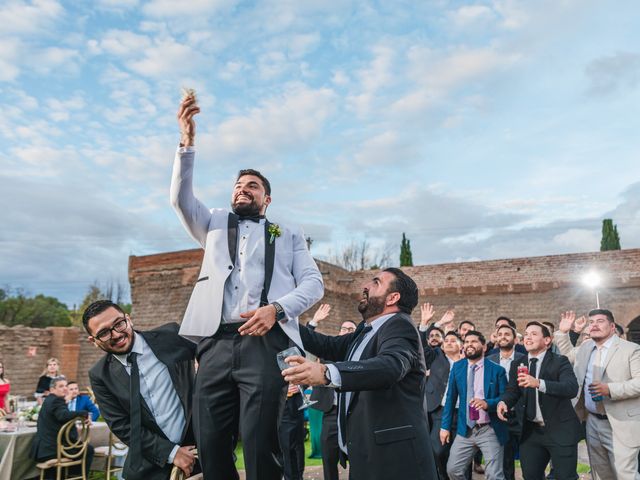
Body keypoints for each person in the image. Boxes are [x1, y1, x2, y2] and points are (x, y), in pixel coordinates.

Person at [172, 92, 324, 480]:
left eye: (252, 185)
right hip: (215, 343)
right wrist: (187, 143)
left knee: (260, 443)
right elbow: (180, 199)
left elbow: (314, 283)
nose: (243, 188)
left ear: (266, 198)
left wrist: (278, 309)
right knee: (211, 441)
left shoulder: (288, 232)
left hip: (265, 343)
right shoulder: (213, 223)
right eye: (239, 185)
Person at [281, 268, 437, 480]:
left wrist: (327, 372)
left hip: (395, 461)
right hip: (366, 456)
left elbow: (390, 366)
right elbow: (325, 344)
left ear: (393, 297)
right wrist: (280, 315)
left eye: (375, 282)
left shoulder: (400, 326)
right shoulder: (365, 330)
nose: (366, 286)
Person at [85, 300, 198, 480]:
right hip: (149, 466)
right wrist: (171, 453)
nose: (116, 334)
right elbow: (122, 425)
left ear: (128, 319)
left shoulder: (171, 335)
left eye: (119, 324)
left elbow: (213, 358)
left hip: (201, 452)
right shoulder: (99, 376)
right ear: (94, 341)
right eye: (104, 333)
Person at [555, 309, 640, 480]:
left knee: (625, 475)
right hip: (592, 420)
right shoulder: (585, 347)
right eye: (591, 322)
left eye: (600, 321)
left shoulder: (631, 349)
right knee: (600, 474)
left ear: (612, 326)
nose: (594, 325)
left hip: (621, 421)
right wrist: (563, 333)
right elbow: (565, 356)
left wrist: (610, 389)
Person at [497, 321, 581, 480]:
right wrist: (504, 402)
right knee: (531, 476)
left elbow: (571, 388)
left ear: (547, 340)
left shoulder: (560, 361)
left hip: (559, 429)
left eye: (534, 334)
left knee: (565, 477)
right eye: (526, 334)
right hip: (530, 432)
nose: (528, 337)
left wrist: (539, 383)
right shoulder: (518, 363)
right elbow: (512, 391)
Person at [440, 330, 508, 480]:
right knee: (453, 469)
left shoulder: (497, 370)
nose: (469, 345)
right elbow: (451, 398)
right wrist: (444, 426)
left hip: (490, 429)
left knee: (494, 475)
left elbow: (506, 398)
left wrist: (487, 403)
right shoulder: (458, 367)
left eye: (474, 342)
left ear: (484, 347)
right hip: (465, 429)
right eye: (467, 342)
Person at [308, 305, 355, 480]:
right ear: (340, 331)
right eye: (344, 328)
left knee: (358, 459)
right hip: (331, 411)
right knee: (328, 458)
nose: (347, 331)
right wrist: (314, 323)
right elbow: (307, 350)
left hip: (354, 413)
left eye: (351, 329)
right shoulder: (329, 349)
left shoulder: (361, 353)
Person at [31, 376, 93, 479]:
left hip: (44, 448)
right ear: (52, 389)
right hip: (53, 449)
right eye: (61, 386)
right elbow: (62, 415)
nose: (65, 388)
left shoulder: (49, 400)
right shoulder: (56, 401)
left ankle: (66, 476)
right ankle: (75, 477)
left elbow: (60, 415)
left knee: (81, 448)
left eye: (65, 386)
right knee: (88, 449)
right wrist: (84, 413)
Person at [487, 325, 526, 480]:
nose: (503, 336)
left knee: (529, 459)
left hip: (523, 414)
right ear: (496, 338)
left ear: (515, 339)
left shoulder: (524, 359)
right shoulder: (489, 360)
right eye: (500, 334)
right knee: (505, 460)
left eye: (507, 334)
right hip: (499, 415)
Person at [424, 328, 463, 479]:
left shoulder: (467, 362)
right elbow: (421, 347)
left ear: (461, 345)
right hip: (440, 411)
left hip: (462, 412)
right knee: (437, 450)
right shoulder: (436, 357)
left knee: (462, 453)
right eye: (446, 341)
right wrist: (425, 325)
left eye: (453, 341)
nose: (449, 343)